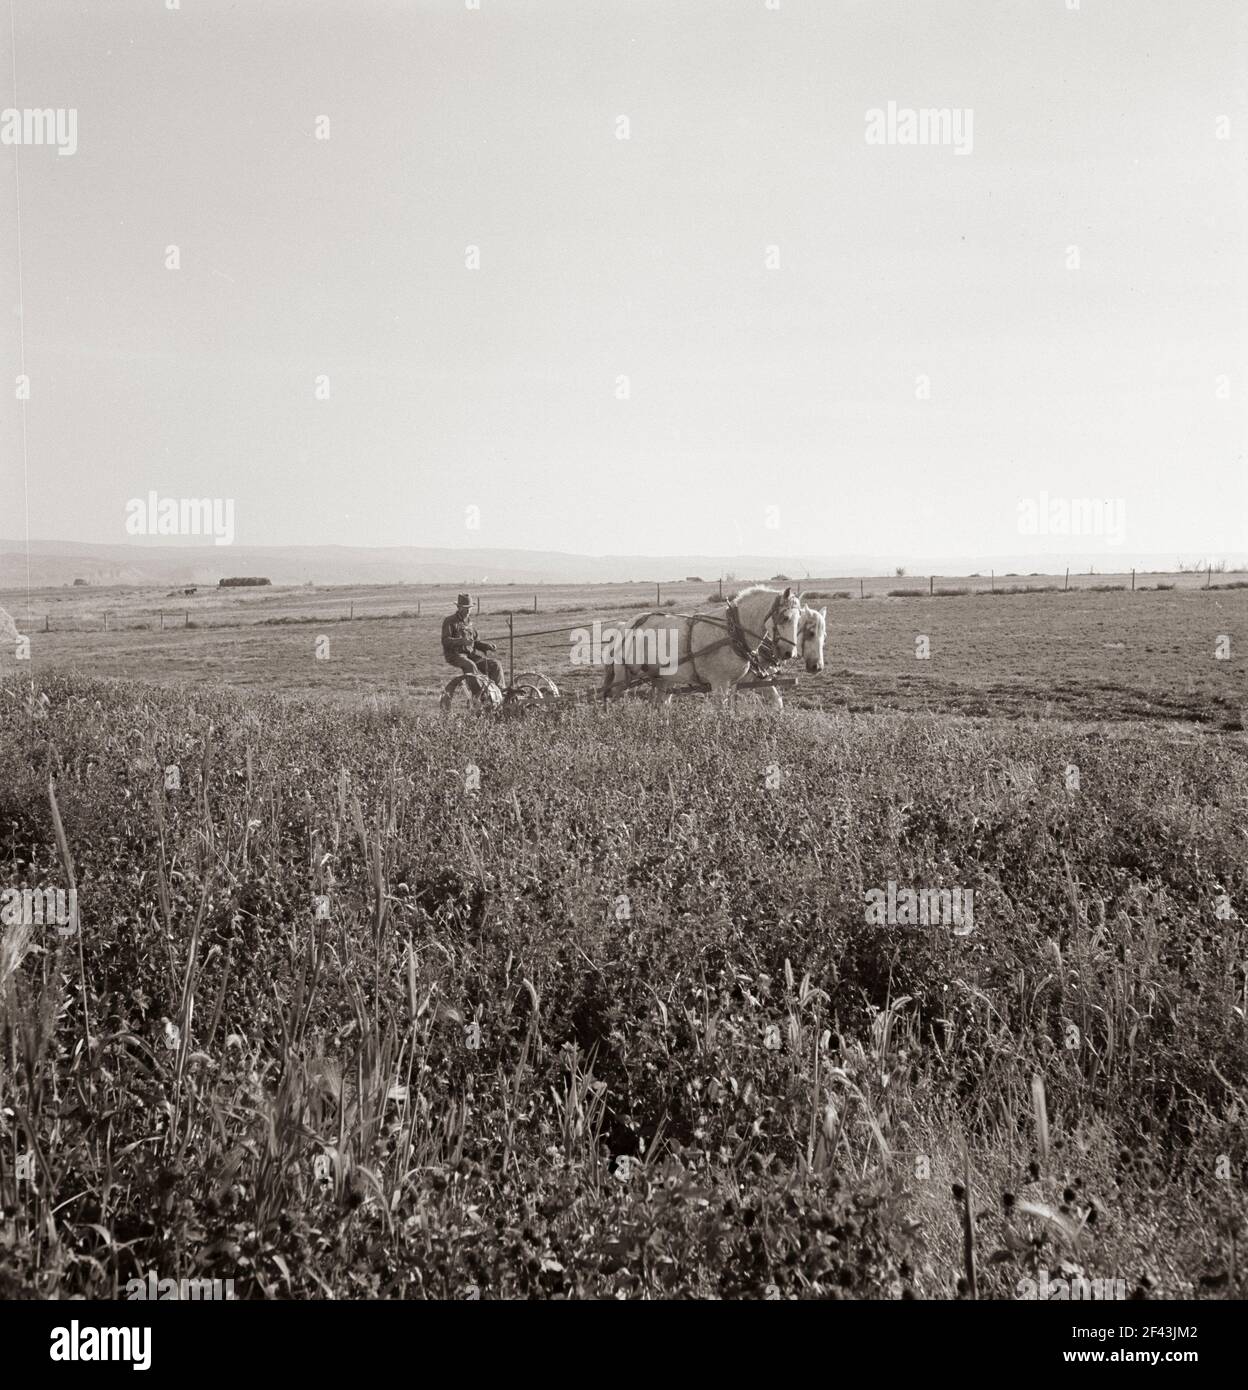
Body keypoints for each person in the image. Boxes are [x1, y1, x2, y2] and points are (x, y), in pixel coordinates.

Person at [441, 593, 503, 694]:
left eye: (470, 608)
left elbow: (476, 641)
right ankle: (479, 694)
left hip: (471, 655)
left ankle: (498, 693)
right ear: (459, 607)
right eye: (465, 608)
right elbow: (445, 641)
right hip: (455, 655)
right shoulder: (449, 621)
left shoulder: (469, 622)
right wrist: (461, 641)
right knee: (470, 665)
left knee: (496, 664)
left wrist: (486, 646)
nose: (468, 610)